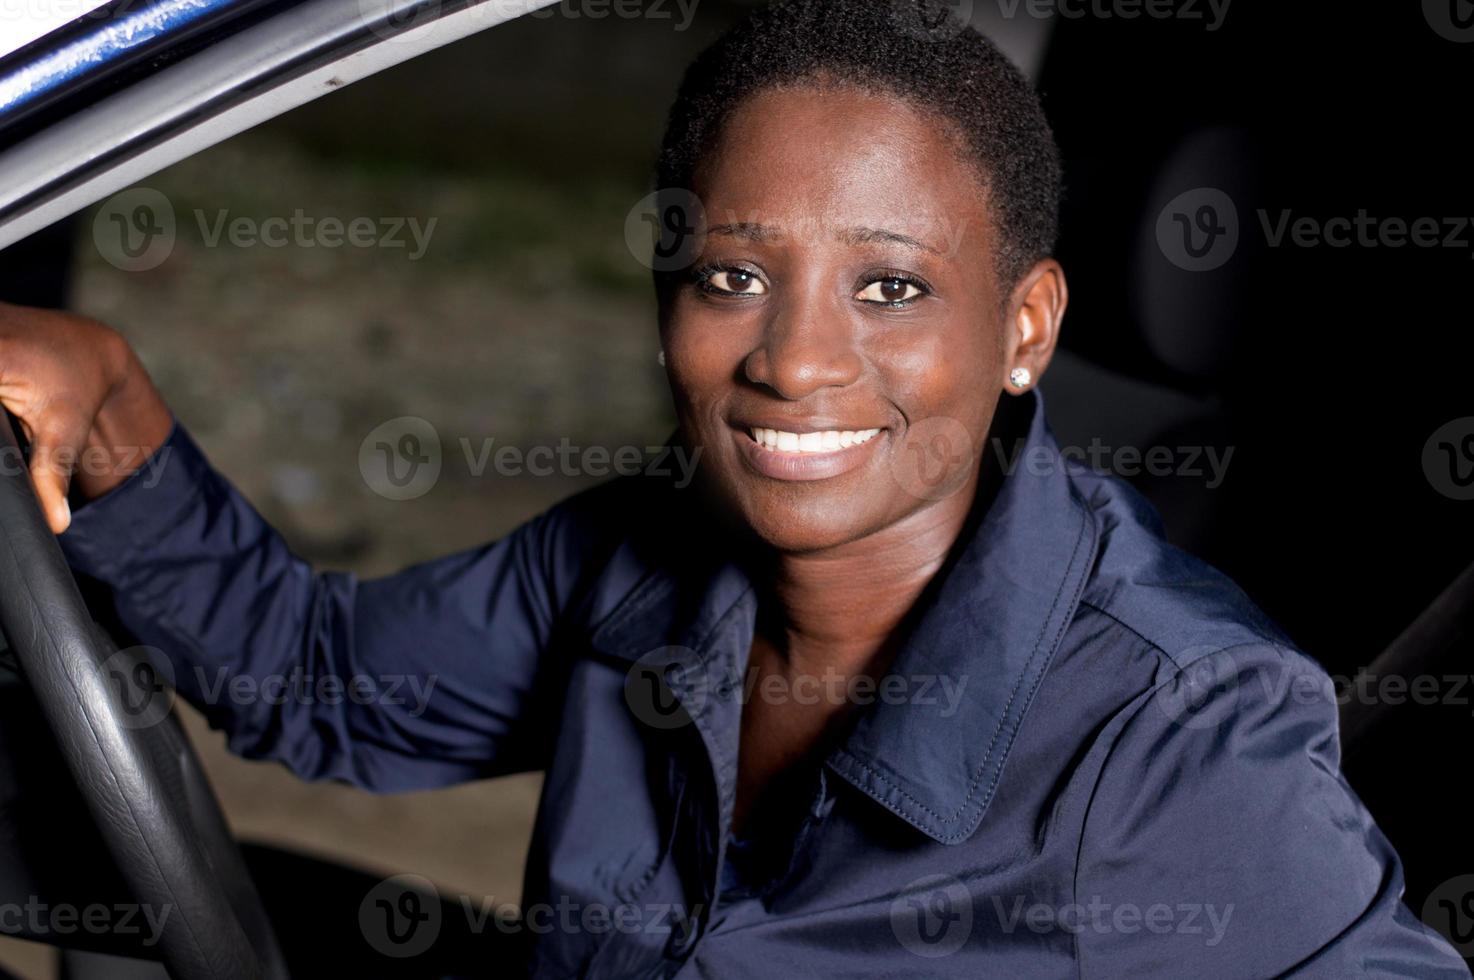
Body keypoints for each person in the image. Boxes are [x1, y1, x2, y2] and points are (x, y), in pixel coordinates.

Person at [0, 0, 1465, 975]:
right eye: (733, 276)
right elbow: (321, 685)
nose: (796, 360)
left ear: (1021, 328)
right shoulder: (642, 552)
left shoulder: (1183, 735)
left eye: (889, 286)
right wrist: (114, 400)